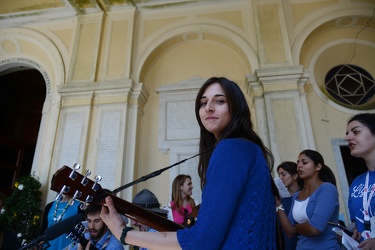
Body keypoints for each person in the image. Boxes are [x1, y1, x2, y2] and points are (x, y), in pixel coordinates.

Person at [98, 76, 279, 249]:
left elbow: (201, 242)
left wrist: (124, 233)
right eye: (203, 102)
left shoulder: (231, 149)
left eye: (219, 101)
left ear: (236, 107)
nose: (208, 107)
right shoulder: (251, 149)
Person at [276, 149, 340, 249]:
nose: (299, 166)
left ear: (318, 167)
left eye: (304, 162)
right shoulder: (297, 195)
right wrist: (278, 205)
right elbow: (289, 232)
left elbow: (315, 228)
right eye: (298, 163)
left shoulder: (327, 189)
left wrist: (296, 226)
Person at [345, 113, 375, 249]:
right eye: (347, 133)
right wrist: (355, 232)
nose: (347, 137)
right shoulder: (357, 183)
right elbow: (358, 222)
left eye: (356, 132)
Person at [277, 161, 303, 250]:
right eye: (279, 175)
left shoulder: (304, 195)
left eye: (283, 175)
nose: (280, 178)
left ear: (295, 176)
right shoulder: (280, 200)